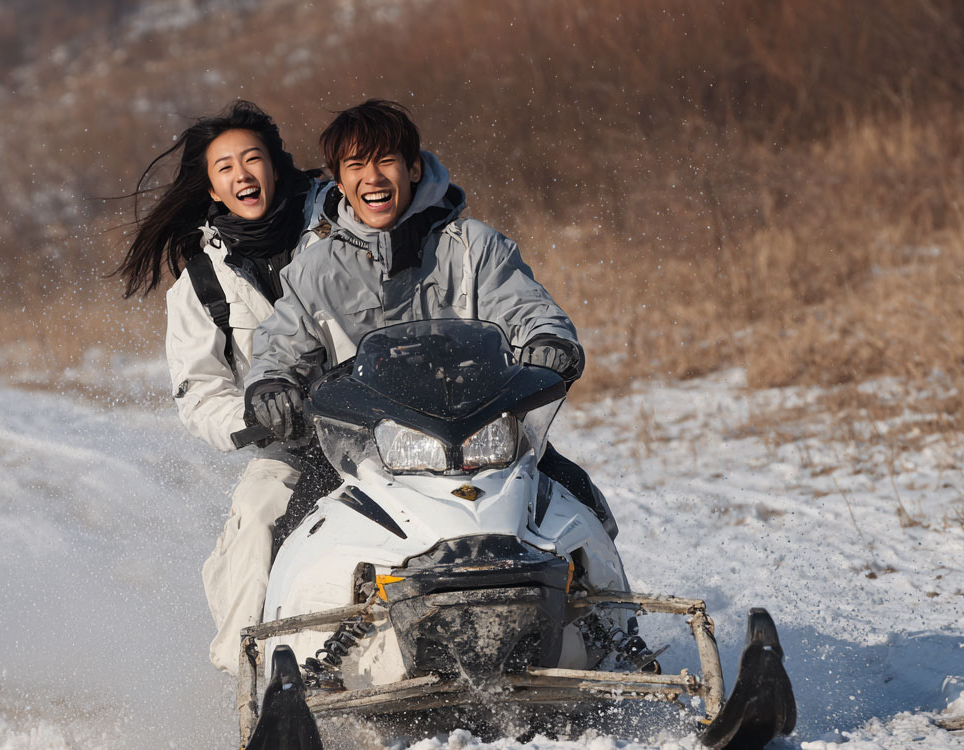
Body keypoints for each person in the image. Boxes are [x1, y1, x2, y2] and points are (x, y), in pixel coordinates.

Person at [243, 99, 616, 536]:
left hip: (486, 437)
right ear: (340, 183)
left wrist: (550, 340)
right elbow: (280, 345)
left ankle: (604, 605)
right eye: (356, 165)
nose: (373, 177)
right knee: (289, 535)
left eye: (386, 161)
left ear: (414, 169)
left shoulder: (474, 247)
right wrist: (271, 386)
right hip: (363, 454)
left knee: (581, 507)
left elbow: (526, 307)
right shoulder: (313, 271)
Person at [113, 100, 334, 674]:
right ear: (211, 188)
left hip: (390, 423)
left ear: (276, 165)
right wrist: (255, 415)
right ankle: (252, 687)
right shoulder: (200, 284)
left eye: (252, 159)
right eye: (225, 167)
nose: (242, 175)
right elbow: (198, 391)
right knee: (258, 515)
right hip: (294, 444)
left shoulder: (341, 223)